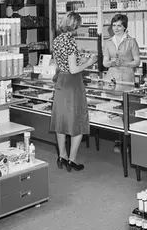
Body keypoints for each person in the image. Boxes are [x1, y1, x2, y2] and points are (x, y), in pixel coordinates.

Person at [50, 12, 97, 172]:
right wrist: (89, 62)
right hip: (73, 83)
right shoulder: (70, 42)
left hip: (61, 82)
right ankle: (72, 159)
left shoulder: (57, 40)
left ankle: (62, 156)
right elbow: (74, 69)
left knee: (61, 121)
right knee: (78, 121)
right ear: (76, 25)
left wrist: (78, 60)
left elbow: (61, 64)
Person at [102, 13, 141, 152]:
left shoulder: (131, 41)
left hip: (126, 77)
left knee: (126, 109)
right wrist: (111, 62)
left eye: (119, 26)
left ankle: (128, 140)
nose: (116, 28)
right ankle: (118, 139)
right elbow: (104, 63)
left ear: (124, 27)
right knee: (114, 108)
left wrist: (126, 63)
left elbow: (137, 61)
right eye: (114, 25)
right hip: (112, 77)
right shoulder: (108, 42)